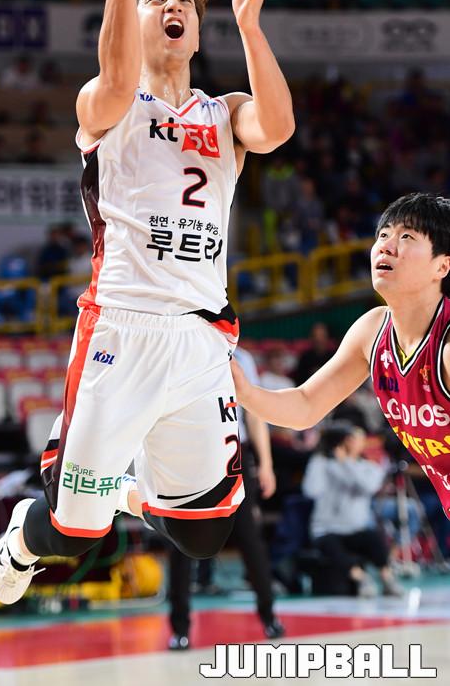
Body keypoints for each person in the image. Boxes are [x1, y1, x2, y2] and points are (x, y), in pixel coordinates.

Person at [0, 0, 294, 605]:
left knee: (204, 532)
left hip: (199, 337)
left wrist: (251, 28)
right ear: (133, 15)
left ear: (198, 28)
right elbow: (119, 76)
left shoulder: (224, 112)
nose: (173, 7)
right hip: (120, 330)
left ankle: (134, 488)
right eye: (157, 0)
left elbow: (277, 127)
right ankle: (20, 538)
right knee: (73, 532)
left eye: (184, 1)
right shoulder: (107, 102)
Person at [232, 193, 450, 524]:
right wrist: (245, 392)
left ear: (442, 266)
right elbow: (305, 405)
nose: (387, 246)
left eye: (407, 236)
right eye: (383, 234)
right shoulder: (372, 330)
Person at [167, 346, 285, 650]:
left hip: (233, 453)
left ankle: (269, 615)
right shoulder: (178, 348)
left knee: (249, 537)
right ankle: (179, 628)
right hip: (189, 452)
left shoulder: (241, 357)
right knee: (180, 540)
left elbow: (255, 412)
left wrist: (266, 463)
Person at [302, 422, 402, 597]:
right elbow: (311, 490)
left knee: (374, 539)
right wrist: (323, 462)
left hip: (355, 529)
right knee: (332, 548)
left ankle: (387, 579)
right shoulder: (321, 463)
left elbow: (368, 487)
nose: (354, 442)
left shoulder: (368, 467)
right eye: (350, 438)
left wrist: (346, 463)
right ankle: (362, 580)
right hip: (326, 529)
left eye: (356, 438)